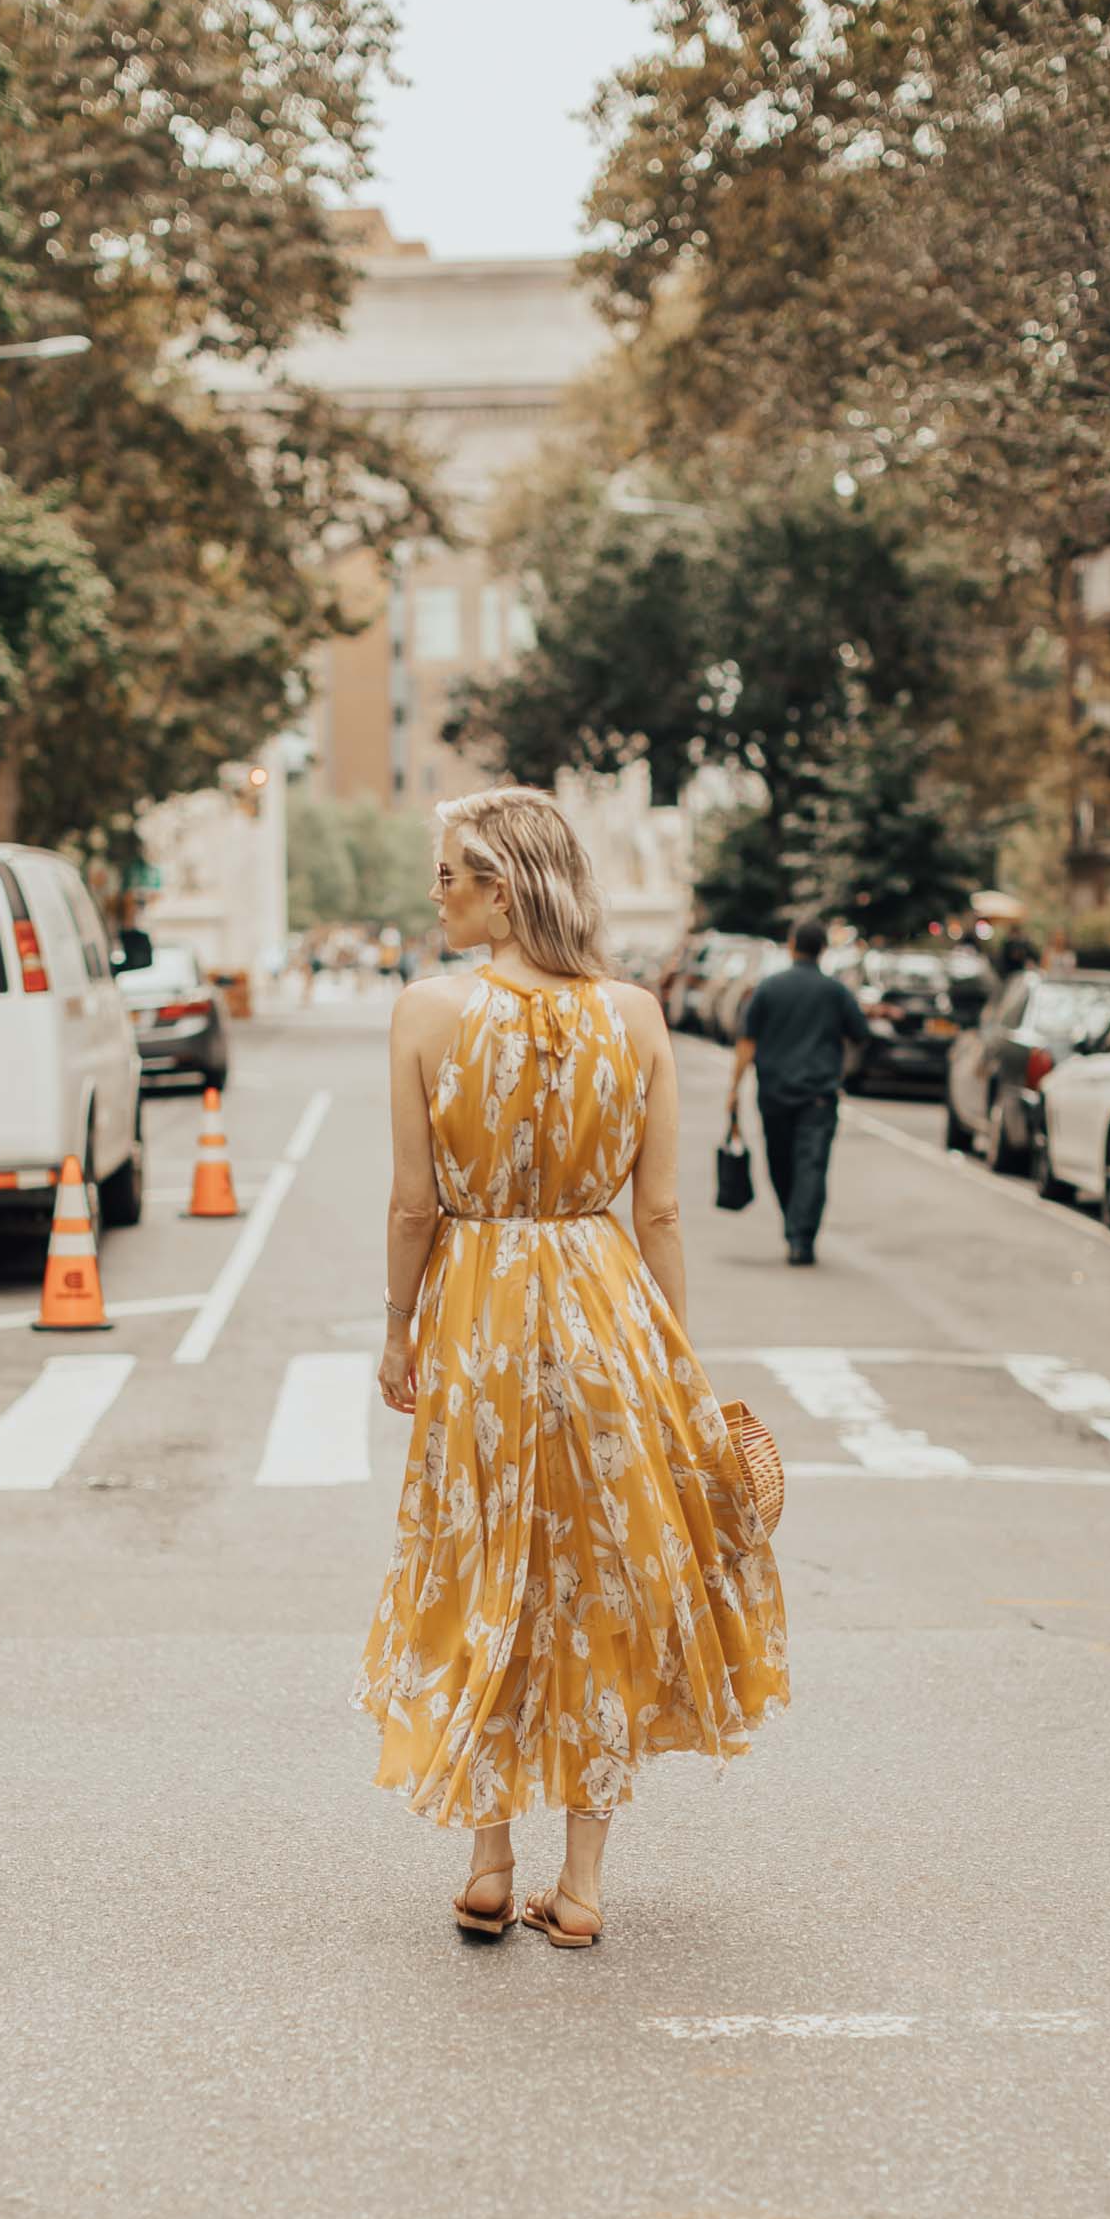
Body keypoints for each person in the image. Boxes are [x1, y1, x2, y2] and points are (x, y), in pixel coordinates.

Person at [356, 786, 789, 1950]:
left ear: (501, 888)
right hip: (608, 1315)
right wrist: (678, 1366)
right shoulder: (637, 1017)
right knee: (597, 1580)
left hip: (481, 1316)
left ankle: (490, 1860)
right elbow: (658, 1217)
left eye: (448, 874)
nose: (435, 893)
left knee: (483, 1566)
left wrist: (396, 1327)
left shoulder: (423, 1015)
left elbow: (414, 1202)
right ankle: (582, 1885)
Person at [727, 919, 867, 1265]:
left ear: (792, 946)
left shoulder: (768, 988)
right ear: (823, 949)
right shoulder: (835, 992)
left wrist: (733, 1089)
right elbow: (860, 1033)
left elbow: (746, 1042)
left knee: (780, 1162)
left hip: (773, 1092)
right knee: (812, 1164)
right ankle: (801, 1234)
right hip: (818, 1094)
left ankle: (795, 1226)